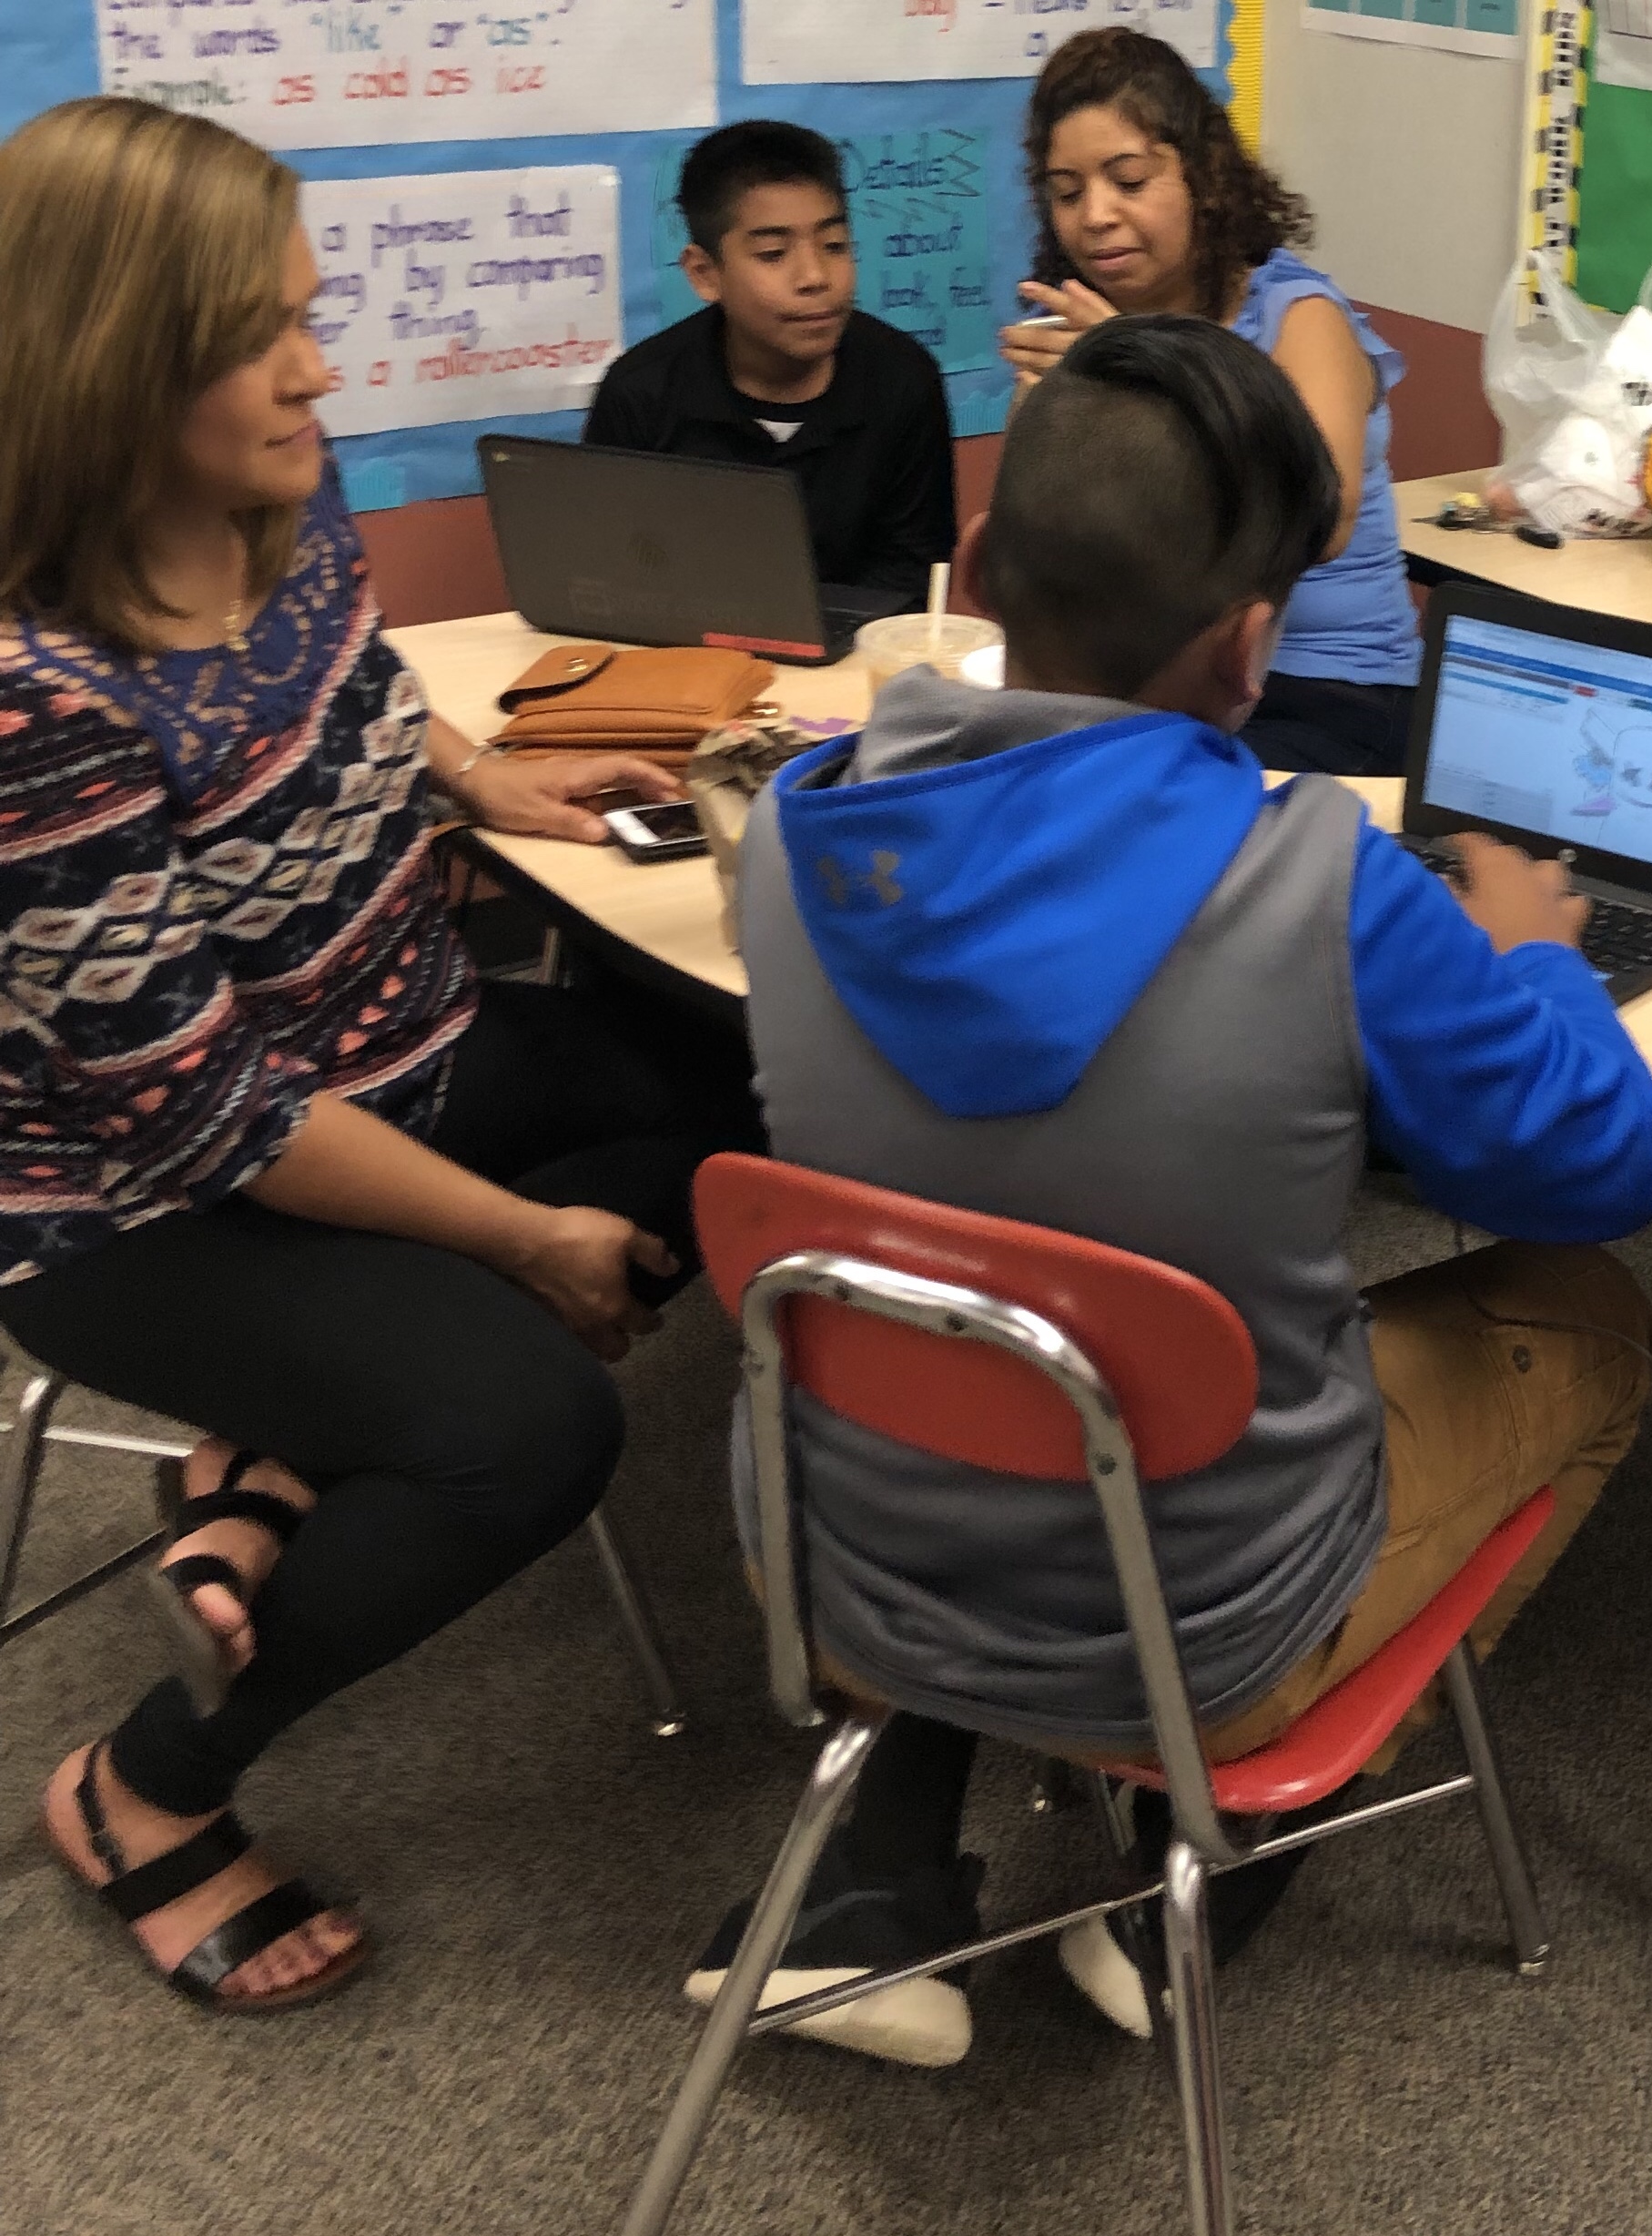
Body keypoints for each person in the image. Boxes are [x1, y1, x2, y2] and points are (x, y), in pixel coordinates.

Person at [692, 314, 1652, 2065]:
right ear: (1249, 643)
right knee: (1592, 1316)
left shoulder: (786, 830)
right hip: (1202, 1634)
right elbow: (1598, 1168)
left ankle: (877, 1871)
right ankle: (1216, 1860)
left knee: (1004, 1286)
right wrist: (1530, 956)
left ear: (981, 564)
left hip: (836, 1566)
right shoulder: (1326, 883)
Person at [4, 98, 759, 2013]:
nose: (316, 370)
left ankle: (275, 1460)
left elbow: (356, 686)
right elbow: (208, 1114)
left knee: (748, 1095)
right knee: (533, 1425)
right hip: (145, 1208)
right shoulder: (37, 698)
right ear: (112, 365)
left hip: (393, 1049)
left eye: (305, 315)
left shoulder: (278, 490)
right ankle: (144, 1789)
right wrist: (519, 1241)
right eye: (262, 336)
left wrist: (489, 777)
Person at [995, 29, 1423, 776]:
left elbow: (1320, 520)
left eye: (1128, 181)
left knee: (1137, 806)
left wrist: (1138, 366)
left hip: (1326, 691)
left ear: (1203, 176)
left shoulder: (1297, 315)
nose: (1094, 215)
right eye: (1066, 192)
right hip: (1152, 690)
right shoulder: (1067, 331)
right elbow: (1042, 532)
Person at [584, 120, 955, 603]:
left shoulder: (903, 380)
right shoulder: (640, 394)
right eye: (773, 253)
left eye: (835, 246)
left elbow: (913, 576)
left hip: (858, 646)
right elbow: (614, 579)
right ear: (705, 273)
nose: (815, 277)